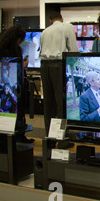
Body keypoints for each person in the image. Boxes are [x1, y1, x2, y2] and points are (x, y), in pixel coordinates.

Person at [40, 12, 78, 147]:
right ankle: (62, 140)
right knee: (61, 103)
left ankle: (50, 140)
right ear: (62, 19)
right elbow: (73, 50)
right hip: (59, 65)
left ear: (50, 20)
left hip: (44, 66)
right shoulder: (67, 27)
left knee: (48, 104)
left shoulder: (45, 31)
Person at [0, 25, 33, 145]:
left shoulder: (0, 50)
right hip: (15, 87)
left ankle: (6, 140)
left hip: (6, 88)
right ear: (18, 38)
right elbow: (16, 70)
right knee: (16, 112)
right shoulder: (14, 51)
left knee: (6, 114)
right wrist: (23, 65)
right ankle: (17, 138)